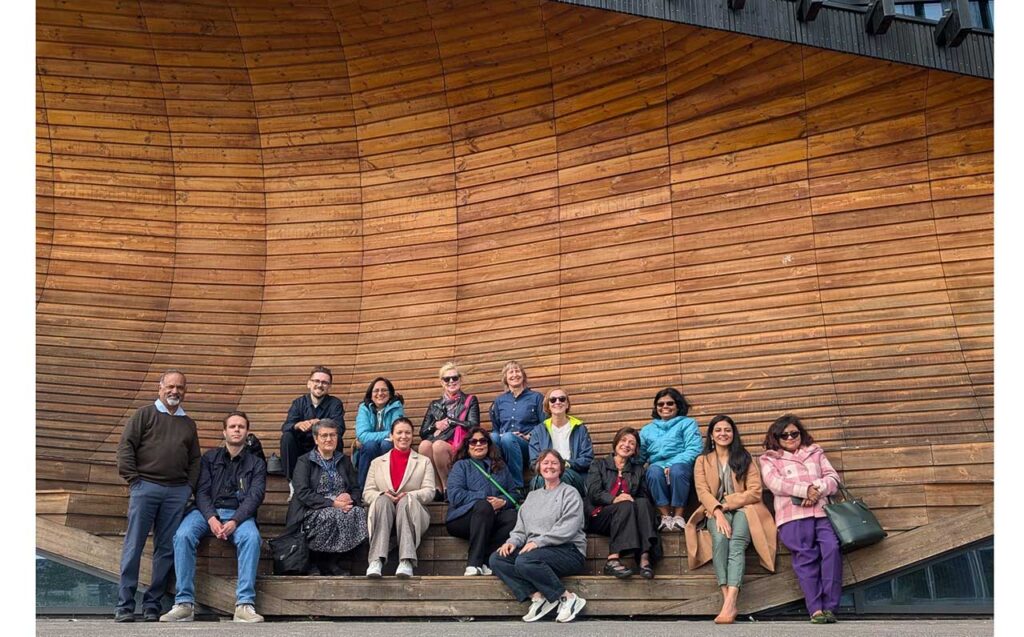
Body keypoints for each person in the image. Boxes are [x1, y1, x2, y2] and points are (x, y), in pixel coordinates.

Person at [161, 411, 267, 623]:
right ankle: (184, 604)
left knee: (252, 539)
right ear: (224, 431)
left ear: (247, 432)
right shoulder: (209, 458)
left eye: (241, 427)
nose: (237, 430)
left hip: (239, 515)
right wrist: (211, 518)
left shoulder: (256, 463)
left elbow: (255, 497)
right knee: (182, 536)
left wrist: (235, 520)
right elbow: (201, 492)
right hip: (206, 512)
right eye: (232, 426)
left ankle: (244, 605)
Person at [115, 370, 201, 623]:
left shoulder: (189, 423)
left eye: (180, 388)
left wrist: (188, 488)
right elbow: (125, 446)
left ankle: (152, 605)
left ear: (185, 391)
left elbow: (195, 459)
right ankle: (125, 605)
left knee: (165, 550)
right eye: (170, 387)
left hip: (176, 493)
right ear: (160, 388)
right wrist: (134, 480)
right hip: (145, 488)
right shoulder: (144, 414)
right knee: (134, 546)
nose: (175, 392)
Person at [686, 414, 777, 624]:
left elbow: (755, 492)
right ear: (711, 435)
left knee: (736, 543)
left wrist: (727, 504)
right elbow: (702, 492)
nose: (723, 434)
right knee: (719, 539)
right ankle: (727, 597)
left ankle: (730, 600)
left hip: (746, 509)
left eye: (727, 430)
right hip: (714, 510)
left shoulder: (744, 457)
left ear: (733, 433)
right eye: (718, 430)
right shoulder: (702, 460)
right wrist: (718, 512)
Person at [759, 414, 842, 624]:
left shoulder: (815, 452)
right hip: (792, 516)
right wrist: (805, 491)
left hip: (822, 513)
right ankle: (815, 609)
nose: (789, 437)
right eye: (784, 435)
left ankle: (830, 607)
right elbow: (774, 483)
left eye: (793, 433)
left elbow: (833, 478)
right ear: (776, 438)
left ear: (800, 433)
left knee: (831, 549)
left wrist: (817, 490)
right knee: (806, 559)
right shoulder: (769, 458)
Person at [489, 449, 588, 623]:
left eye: (554, 463)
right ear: (539, 467)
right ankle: (537, 596)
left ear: (561, 468)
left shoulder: (570, 492)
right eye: (545, 462)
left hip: (568, 551)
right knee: (497, 559)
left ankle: (568, 598)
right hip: (537, 552)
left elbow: (568, 527)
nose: (550, 466)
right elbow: (521, 529)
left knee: (525, 560)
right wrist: (512, 541)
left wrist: (538, 542)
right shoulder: (532, 497)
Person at [283, 418, 367, 576]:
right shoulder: (304, 461)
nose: (329, 439)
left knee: (357, 513)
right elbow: (302, 492)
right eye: (324, 435)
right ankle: (316, 560)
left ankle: (333, 561)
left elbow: (356, 488)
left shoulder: (344, 461)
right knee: (329, 515)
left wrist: (349, 497)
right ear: (316, 439)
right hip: (311, 508)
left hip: (341, 506)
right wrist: (332, 503)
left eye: (333, 435)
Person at [584, 427, 661, 580]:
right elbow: (594, 493)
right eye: (623, 440)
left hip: (628, 518)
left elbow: (642, 496)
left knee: (643, 503)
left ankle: (644, 558)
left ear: (635, 449)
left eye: (632, 443)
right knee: (625, 504)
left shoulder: (638, 470)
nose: (627, 445)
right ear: (616, 443)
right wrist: (614, 499)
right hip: (600, 515)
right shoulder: (598, 465)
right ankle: (612, 560)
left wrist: (630, 499)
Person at [363, 417, 436, 578]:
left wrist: (408, 495)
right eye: (399, 432)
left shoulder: (424, 462)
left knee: (404, 501)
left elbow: (430, 492)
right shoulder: (377, 462)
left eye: (407, 432)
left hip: (413, 512)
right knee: (382, 500)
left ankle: (406, 561)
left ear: (412, 436)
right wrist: (383, 494)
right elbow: (367, 493)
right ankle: (376, 560)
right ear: (391, 436)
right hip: (384, 511)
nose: (404, 436)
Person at [446, 427, 519, 576]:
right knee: (484, 506)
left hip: (493, 518)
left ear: (488, 444)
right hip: (462, 518)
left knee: (513, 516)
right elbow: (455, 495)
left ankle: (486, 560)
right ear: (467, 446)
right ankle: (473, 564)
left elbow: (513, 494)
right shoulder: (461, 466)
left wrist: (503, 502)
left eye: (482, 441)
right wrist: (484, 497)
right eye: (473, 441)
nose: (478, 444)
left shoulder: (501, 467)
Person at [638, 387, 702, 532]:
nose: (665, 407)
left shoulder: (688, 423)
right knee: (653, 472)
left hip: (681, 464)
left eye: (670, 403)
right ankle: (666, 517)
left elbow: (694, 448)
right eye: (660, 404)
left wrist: (671, 464)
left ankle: (679, 517)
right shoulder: (647, 429)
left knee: (677, 470)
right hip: (657, 466)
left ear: (678, 405)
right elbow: (640, 456)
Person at [279, 366, 345, 497]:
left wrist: (321, 424)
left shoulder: (335, 403)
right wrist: (298, 425)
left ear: (329, 386)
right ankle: (293, 484)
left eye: (324, 382)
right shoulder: (298, 403)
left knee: (338, 439)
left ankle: (332, 481)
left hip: (322, 446)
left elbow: (340, 428)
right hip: (300, 448)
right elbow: (286, 426)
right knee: (287, 437)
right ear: (309, 383)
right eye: (316, 381)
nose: (320, 385)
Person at [419, 362, 479, 498]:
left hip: (459, 443)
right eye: (447, 379)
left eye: (455, 378)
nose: (451, 381)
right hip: (439, 441)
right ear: (442, 382)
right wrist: (435, 426)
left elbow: (474, 426)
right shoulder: (435, 404)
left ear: (460, 379)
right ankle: (437, 487)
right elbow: (422, 433)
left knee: (438, 446)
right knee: (424, 445)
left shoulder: (470, 400)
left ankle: (448, 487)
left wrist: (451, 421)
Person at [488, 361, 545, 491]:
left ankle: (517, 487)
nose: (515, 374)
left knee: (508, 438)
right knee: (493, 437)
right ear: (505, 378)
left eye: (517, 371)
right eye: (511, 372)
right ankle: (497, 484)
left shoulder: (536, 397)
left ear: (523, 375)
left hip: (527, 446)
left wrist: (528, 436)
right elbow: (496, 427)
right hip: (503, 445)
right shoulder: (499, 401)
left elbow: (543, 425)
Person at [527, 388, 593, 496]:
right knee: (538, 480)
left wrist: (566, 464)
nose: (558, 402)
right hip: (546, 473)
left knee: (562, 475)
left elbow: (587, 459)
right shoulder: (538, 431)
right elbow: (534, 462)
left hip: (574, 474)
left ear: (567, 404)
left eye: (562, 399)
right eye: (553, 400)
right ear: (548, 406)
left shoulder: (580, 429)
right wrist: (550, 467)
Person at [354, 377, 404, 492]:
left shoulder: (396, 406)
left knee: (386, 445)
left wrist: (392, 435)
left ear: (390, 393)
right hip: (368, 450)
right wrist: (388, 434)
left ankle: (389, 488)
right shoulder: (364, 408)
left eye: (384, 390)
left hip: (388, 448)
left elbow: (398, 432)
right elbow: (362, 435)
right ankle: (363, 490)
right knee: (370, 445)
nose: (380, 393)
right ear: (370, 394)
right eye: (376, 390)